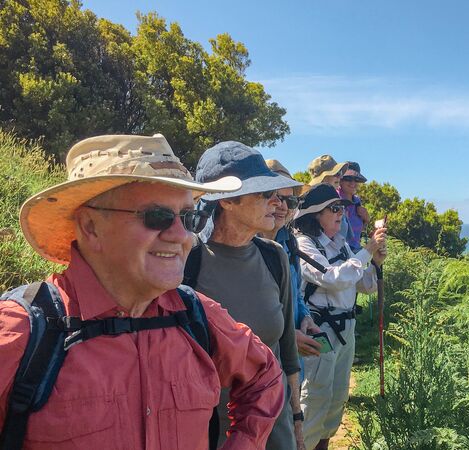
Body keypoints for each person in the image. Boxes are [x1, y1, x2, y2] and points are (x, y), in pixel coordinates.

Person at [0, 134, 285, 449]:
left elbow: (266, 376)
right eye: (157, 217)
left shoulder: (195, 314)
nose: (180, 235)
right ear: (90, 226)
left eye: (190, 217)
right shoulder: (23, 333)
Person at [189, 142, 306, 450]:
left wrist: (296, 419)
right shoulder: (188, 262)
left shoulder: (274, 256)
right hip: (214, 435)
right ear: (226, 201)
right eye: (264, 193)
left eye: (277, 194)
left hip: (276, 432)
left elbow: (287, 352)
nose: (276, 202)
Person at [292, 184, 388, 450]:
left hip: (346, 330)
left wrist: (375, 265)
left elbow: (364, 285)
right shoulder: (303, 245)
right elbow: (332, 278)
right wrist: (367, 251)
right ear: (315, 215)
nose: (340, 214)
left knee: (336, 397)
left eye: (341, 209)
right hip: (319, 330)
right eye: (333, 209)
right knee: (314, 396)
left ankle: (323, 444)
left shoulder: (343, 245)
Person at [264, 159, 324, 370]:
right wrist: (288, 338)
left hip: (292, 367)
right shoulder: (242, 246)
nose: (282, 206)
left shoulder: (289, 243)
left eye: (290, 201)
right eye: (275, 197)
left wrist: (306, 317)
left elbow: (296, 295)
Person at [337, 162, 369, 251]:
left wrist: (366, 220)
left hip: (356, 250)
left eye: (356, 179)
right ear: (340, 180)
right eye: (348, 178)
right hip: (339, 252)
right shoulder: (334, 198)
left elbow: (358, 231)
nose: (353, 183)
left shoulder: (357, 202)